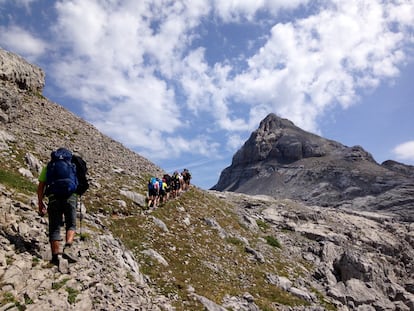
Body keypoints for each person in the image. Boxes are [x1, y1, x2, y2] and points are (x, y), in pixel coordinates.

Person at [37, 147, 79, 265]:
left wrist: (40, 202)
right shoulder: (72, 166)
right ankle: (68, 246)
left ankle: (55, 258)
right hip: (70, 197)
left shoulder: (49, 166)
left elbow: (41, 187)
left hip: (53, 198)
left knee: (54, 227)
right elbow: (78, 183)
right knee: (71, 224)